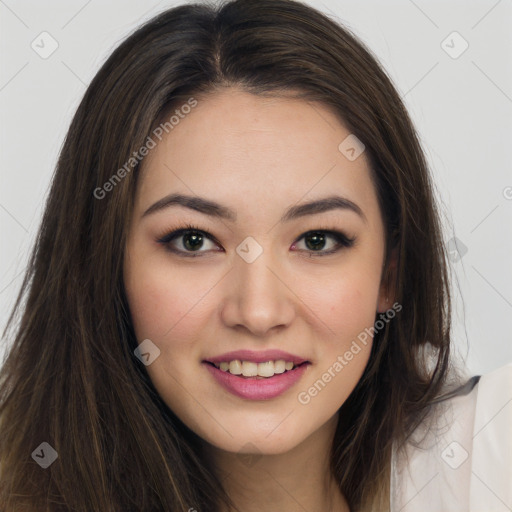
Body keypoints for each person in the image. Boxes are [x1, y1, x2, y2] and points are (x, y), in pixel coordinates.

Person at [0, 0, 510, 510]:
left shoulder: (484, 461)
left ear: (389, 276)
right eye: (193, 240)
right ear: (107, 266)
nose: (259, 312)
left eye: (317, 241)